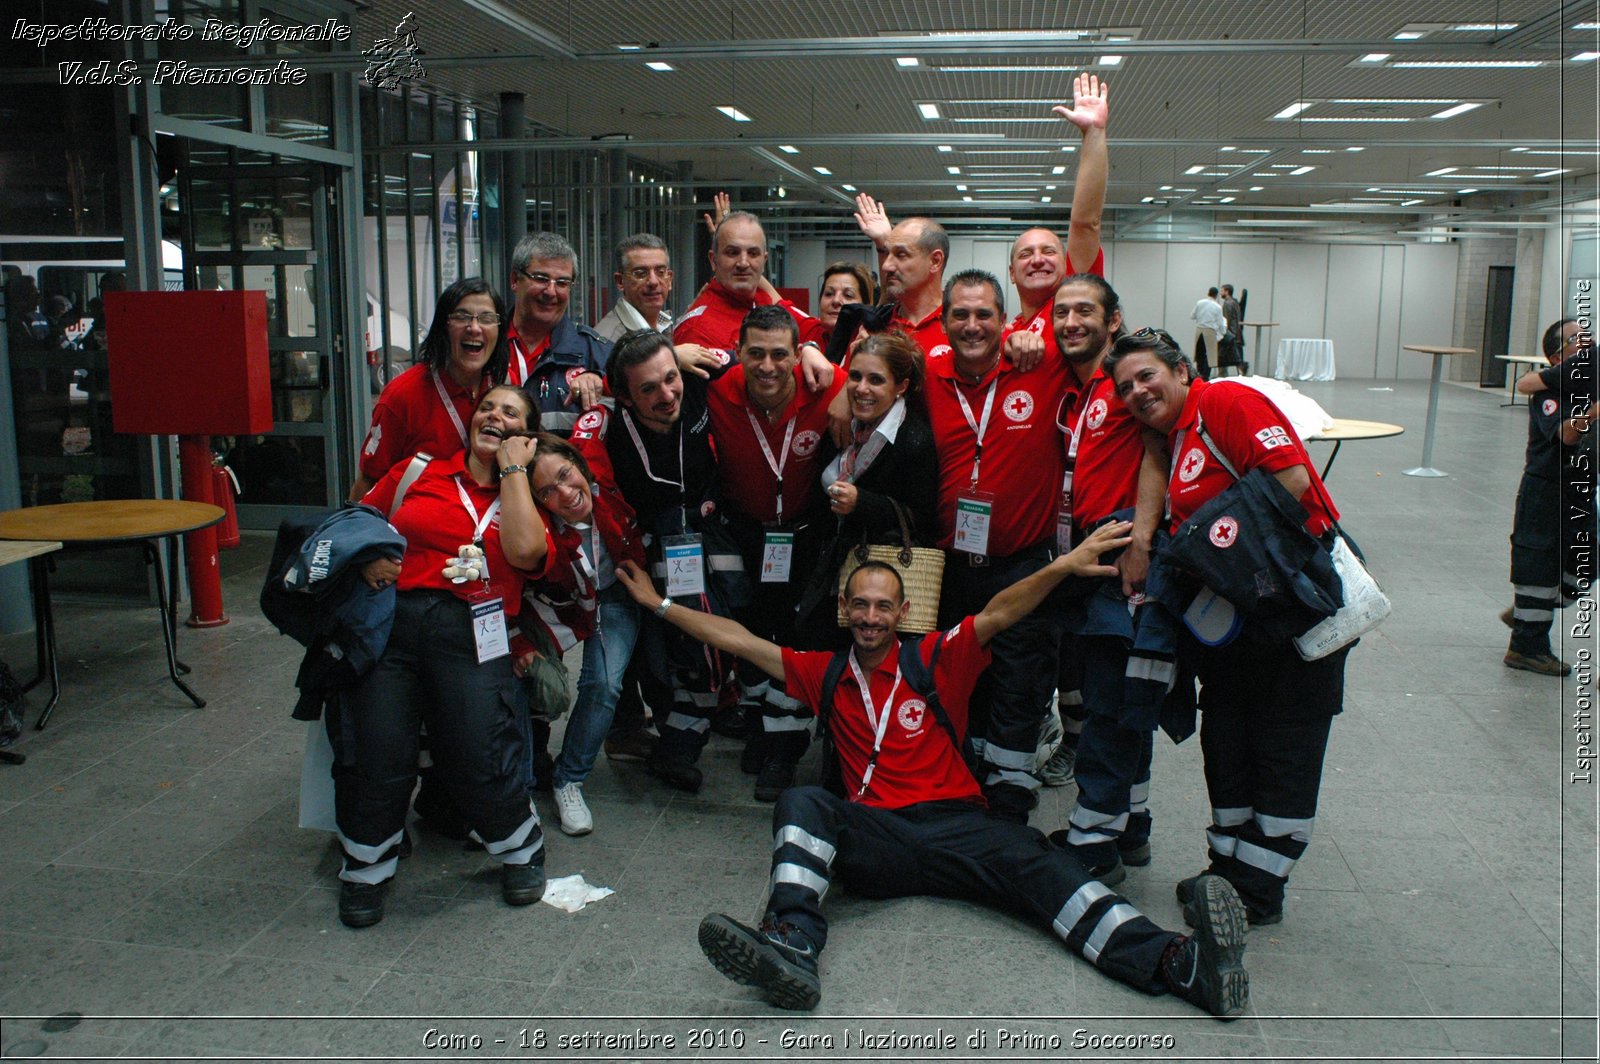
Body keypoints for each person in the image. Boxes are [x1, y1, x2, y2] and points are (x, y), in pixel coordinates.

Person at [613, 527, 1251, 1019]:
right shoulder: (824, 673)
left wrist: (1060, 564)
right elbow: (735, 638)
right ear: (844, 608)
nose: (869, 617)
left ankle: (1180, 962)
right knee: (804, 802)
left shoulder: (937, 657)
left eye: (882, 606)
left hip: (957, 827)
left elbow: (1002, 611)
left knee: (1048, 869)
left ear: (902, 611)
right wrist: (657, 602)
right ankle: (793, 943)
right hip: (875, 837)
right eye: (859, 605)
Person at [1107, 331, 1350, 927]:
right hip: (1233, 617)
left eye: (1147, 377)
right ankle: (1230, 868)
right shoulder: (1175, 434)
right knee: (1228, 736)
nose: (1138, 391)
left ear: (1182, 370)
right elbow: (1162, 471)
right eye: (1125, 387)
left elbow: (1289, 479)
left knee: (1284, 741)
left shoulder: (1226, 404)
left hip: (1290, 610)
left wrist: (1202, 550)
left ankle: (1262, 888)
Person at [334, 385, 553, 928]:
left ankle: (520, 848)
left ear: (525, 437)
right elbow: (358, 520)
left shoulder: (525, 490)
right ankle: (366, 866)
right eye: (487, 408)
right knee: (378, 750)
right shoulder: (421, 470)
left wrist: (513, 472)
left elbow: (527, 553)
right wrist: (367, 560)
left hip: (476, 632)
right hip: (394, 626)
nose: (494, 416)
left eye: (510, 413)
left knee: (481, 747)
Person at [925, 269, 1073, 823]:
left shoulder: (1040, 364)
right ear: (943, 322)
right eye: (960, 314)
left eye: (984, 314)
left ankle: (1012, 781)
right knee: (959, 669)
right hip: (951, 563)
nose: (972, 326)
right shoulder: (925, 374)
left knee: (1022, 673)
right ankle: (963, 769)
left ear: (1006, 321)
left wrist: (1036, 335)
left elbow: (1086, 286)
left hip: (1022, 558)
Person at [570, 328, 740, 791]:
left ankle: (695, 726)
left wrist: (810, 354)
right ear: (624, 397)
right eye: (649, 388)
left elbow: (766, 359)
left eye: (671, 378)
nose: (667, 395)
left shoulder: (701, 378)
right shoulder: (604, 422)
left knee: (722, 634)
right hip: (642, 550)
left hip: (716, 530)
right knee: (658, 655)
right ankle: (671, 741)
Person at [1045, 276, 1170, 884]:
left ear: (1113, 320)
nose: (1071, 321)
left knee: (1109, 705)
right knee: (1126, 699)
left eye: (1084, 311)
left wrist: (1142, 538)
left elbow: (1158, 449)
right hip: (1096, 552)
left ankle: (1094, 840)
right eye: (1061, 312)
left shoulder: (1126, 382)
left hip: (1122, 554)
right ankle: (1132, 825)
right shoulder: (1083, 389)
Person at [707, 305, 845, 799]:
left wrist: (843, 391)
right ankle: (761, 728)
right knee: (749, 629)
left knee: (796, 634)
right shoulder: (717, 389)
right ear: (738, 353)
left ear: (796, 355)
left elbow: (880, 379)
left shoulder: (826, 385)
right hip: (745, 532)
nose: (768, 366)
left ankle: (785, 747)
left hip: (806, 534)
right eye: (756, 354)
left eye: (780, 354)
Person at [522, 433, 647, 835]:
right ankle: (518, 786)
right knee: (533, 689)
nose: (565, 492)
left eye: (565, 474)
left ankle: (568, 780)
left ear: (578, 463)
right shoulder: (535, 528)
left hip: (614, 594)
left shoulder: (605, 481)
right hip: (558, 603)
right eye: (547, 491)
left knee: (605, 682)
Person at [799, 331, 939, 639]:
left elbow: (923, 519)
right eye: (855, 376)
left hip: (884, 584)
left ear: (900, 387)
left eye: (876, 380)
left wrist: (861, 503)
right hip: (832, 574)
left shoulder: (913, 440)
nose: (862, 389)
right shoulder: (840, 425)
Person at [349, 277, 509, 501]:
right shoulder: (403, 395)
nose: (474, 327)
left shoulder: (504, 387)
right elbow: (369, 482)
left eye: (487, 318)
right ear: (444, 326)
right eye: (461, 317)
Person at [1502, 317, 1595, 675]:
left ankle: (1527, 612)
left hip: (1582, 490)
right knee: (1538, 568)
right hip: (1546, 491)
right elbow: (1568, 436)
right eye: (1576, 339)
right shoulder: (1548, 391)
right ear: (1558, 357)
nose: (1585, 342)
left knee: (1587, 565)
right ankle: (1526, 646)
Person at [673, 211, 826, 355]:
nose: (743, 263)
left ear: (764, 261)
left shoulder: (765, 303)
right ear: (714, 260)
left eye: (753, 253)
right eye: (732, 252)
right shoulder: (697, 331)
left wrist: (809, 350)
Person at [505, 231, 609, 434]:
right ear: (515, 280)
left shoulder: (596, 354)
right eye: (541, 278)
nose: (551, 292)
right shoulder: (483, 347)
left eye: (562, 283)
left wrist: (602, 381)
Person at [851, 195, 950, 356]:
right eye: (888, 253)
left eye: (901, 255)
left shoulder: (961, 325)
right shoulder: (876, 328)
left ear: (935, 261)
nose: (886, 266)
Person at [593, 233, 675, 340]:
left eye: (660, 272)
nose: (653, 281)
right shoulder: (608, 341)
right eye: (640, 273)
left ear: (669, 280)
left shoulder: (666, 326)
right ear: (620, 282)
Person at [816, 261, 874, 352]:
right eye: (829, 293)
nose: (836, 300)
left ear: (865, 306)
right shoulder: (810, 329)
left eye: (848, 295)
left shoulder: (874, 347)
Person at [1190, 288, 1226, 380]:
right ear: (1216, 295)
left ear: (1208, 293)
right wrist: (1223, 332)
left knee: (1199, 353)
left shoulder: (1200, 303)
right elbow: (1220, 322)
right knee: (1209, 355)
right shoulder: (1217, 307)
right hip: (1210, 331)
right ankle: (1206, 376)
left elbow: (1192, 316)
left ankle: (1199, 373)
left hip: (1199, 330)